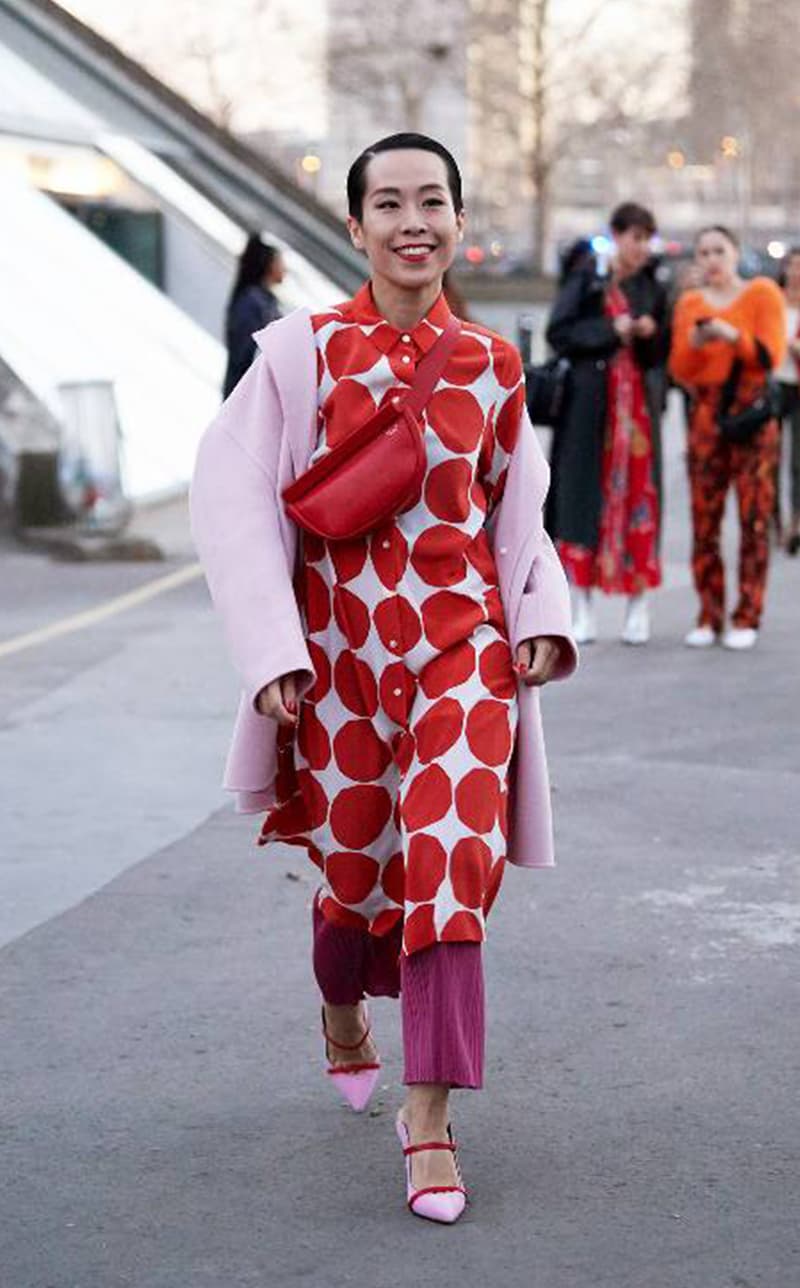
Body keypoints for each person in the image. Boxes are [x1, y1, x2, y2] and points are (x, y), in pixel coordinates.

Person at [191, 132, 577, 1225]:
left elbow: (519, 518)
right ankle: (341, 1017)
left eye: (434, 202)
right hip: (338, 668)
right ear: (354, 227)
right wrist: (272, 651)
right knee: (354, 882)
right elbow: (227, 498)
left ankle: (429, 1119)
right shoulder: (299, 354)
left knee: (450, 866)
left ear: (459, 222)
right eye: (389, 204)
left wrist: (540, 620)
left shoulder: (495, 368)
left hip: (464, 655)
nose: (414, 221)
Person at [545, 203, 668, 645]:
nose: (640, 249)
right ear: (616, 236)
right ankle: (581, 607)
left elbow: (660, 356)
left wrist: (651, 333)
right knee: (581, 497)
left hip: (635, 412)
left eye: (645, 240)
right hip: (588, 408)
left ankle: (638, 607)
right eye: (634, 238)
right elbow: (559, 333)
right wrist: (610, 329)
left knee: (640, 498)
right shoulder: (586, 277)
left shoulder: (651, 285)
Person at [669, 225, 786, 649]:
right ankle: (709, 613)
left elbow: (768, 355)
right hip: (707, 414)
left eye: (720, 250)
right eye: (704, 252)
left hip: (752, 413)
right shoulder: (690, 303)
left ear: (735, 252)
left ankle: (748, 613)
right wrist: (700, 342)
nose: (712, 259)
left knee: (754, 517)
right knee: (705, 518)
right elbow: (680, 369)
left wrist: (730, 335)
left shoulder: (762, 294)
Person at [222, 234, 284, 398]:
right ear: (268, 265)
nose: (284, 268)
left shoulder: (263, 301)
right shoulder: (253, 303)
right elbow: (245, 353)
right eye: (279, 262)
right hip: (248, 394)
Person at [775, 247, 800, 555]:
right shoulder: (773, 300)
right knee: (771, 456)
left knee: (798, 458)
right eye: (792, 266)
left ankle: (796, 519)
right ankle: (773, 520)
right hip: (776, 383)